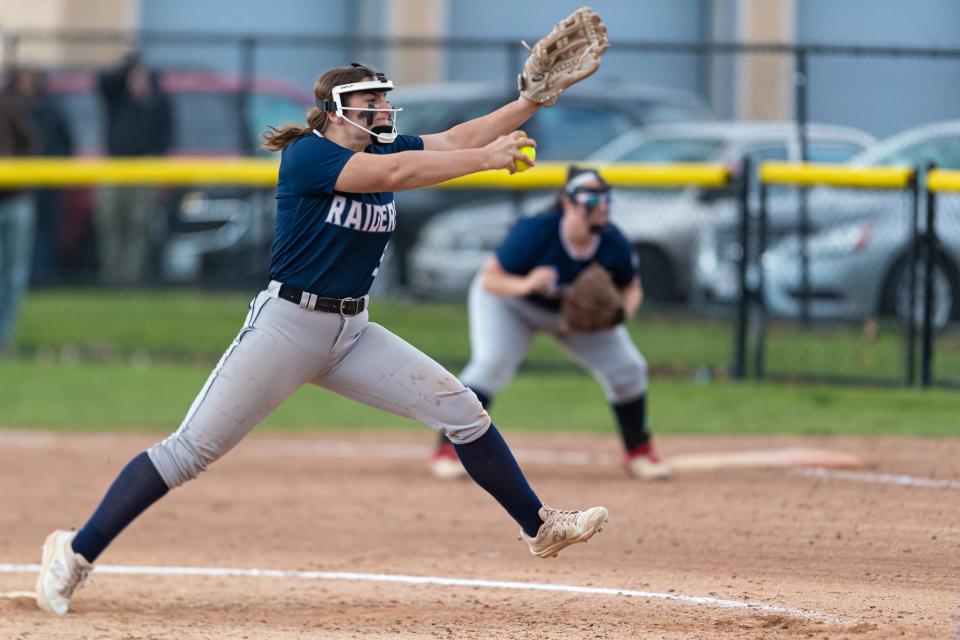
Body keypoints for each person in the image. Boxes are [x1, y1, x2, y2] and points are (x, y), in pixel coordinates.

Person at [34, 58, 611, 615]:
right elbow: (397, 175)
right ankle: (75, 551)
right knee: (187, 453)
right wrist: (486, 160)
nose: (384, 108)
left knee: (463, 410)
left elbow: (458, 135)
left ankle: (539, 526)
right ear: (336, 110)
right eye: (371, 100)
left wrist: (530, 101)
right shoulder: (310, 155)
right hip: (286, 326)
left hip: (352, 331)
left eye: (384, 97)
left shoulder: (381, 146)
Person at [429, 166, 672, 481]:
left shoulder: (613, 242)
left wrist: (623, 312)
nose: (603, 206)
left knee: (628, 368)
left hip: (571, 318)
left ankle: (639, 452)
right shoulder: (536, 232)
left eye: (606, 199)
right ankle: (447, 450)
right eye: (592, 200)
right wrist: (528, 284)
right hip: (511, 304)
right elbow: (491, 280)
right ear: (569, 203)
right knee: (492, 365)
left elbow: (632, 286)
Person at [94, 53, 173, 285]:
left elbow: (166, 136)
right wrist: (128, 69)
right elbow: (101, 81)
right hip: (115, 165)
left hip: (144, 167)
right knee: (110, 222)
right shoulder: (117, 97)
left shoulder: (157, 100)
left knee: (138, 225)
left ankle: (130, 280)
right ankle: (110, 277)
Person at [13, 67, 74, 284]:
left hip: (48, 183)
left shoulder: (51, 110)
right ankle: (26, 274)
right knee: (19, 237)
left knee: (46, 230)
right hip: (18, 187)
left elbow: (67, 144)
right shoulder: (16, 109)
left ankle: (43, 274)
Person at [0, 68, 38, 352]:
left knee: (13, 273)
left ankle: (5, 337)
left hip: (15, 200)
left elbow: (35, 145)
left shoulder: (15, 106)